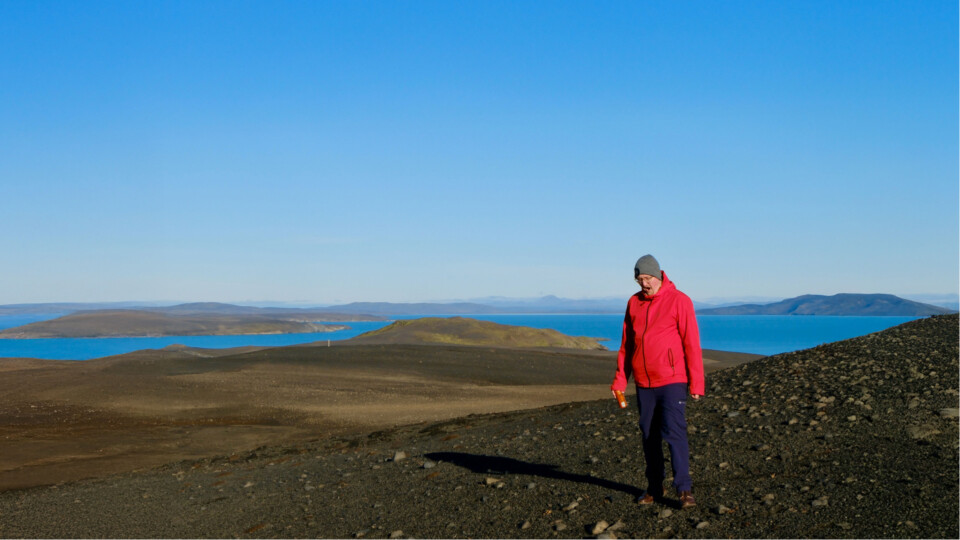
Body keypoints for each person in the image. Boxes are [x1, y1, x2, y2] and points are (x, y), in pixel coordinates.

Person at [611, 254, 705, 509]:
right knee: (649, 435)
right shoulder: (634, 303)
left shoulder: (679, 301)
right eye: (639, 279)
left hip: (672, 379)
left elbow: (691, 344)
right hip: (644, 383)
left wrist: (697, 383)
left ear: (659, 275)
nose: (644, 284)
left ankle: (684, 489)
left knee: (674, 433)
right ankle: (654, 487)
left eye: (648, 278)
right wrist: (621, 379)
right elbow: (627, 345)